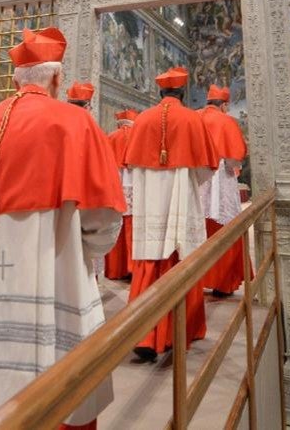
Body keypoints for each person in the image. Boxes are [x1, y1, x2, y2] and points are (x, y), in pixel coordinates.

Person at [0, 27, 124, 429]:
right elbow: (102, 218)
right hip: (53, 276)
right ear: (56, 79)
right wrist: (86, 254)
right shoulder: (76, 124)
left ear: (14, 79)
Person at [124, 67, 217, 361]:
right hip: (181, 198)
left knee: (151, 257)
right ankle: (181, 329)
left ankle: (145, 332)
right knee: (181, 255)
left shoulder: (142, 121)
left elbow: (132, 165)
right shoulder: (192, 118)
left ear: (160, 93)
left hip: (149, 199)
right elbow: (205, 168)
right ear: (182, 93)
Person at [197, 84, 250, 297]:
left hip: (194, 177)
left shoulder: (194, 117)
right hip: (219, 178)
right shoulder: (226, 121)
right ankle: (222, 282)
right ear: (225, 105)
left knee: (198, 226)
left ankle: (197, 279)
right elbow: (234, 159)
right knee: (224, 226)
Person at [103, 109, 138, 281]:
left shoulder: (111, 136)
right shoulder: (138, 136)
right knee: (133, 227)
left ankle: (115, 269)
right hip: (136, 187)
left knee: (116, 226)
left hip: (116, 186)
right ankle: (133, 268)